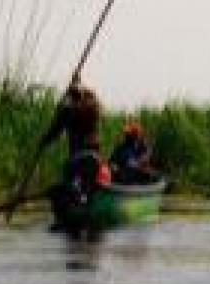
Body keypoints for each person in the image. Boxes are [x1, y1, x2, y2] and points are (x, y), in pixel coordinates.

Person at [40, 78, 109, 210]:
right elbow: (93, 101)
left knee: (74, 184)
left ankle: (76, 205)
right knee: (87, 187)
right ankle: (82, 204)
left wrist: (44, 142)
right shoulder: (92, 107)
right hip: (91, 157)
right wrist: (78, 83)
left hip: (78, 157)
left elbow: (54, 132)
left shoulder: (69, 111)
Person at [110, 119, 154, 184]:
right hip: (123, 174)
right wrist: (114, 166)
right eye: (127, 134)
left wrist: (141, 164)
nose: (127, 136)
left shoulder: (144, 147)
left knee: (146, 173)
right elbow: (112, 161)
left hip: (138, 175)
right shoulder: (120, 148)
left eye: (131, 134)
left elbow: (144, 160)